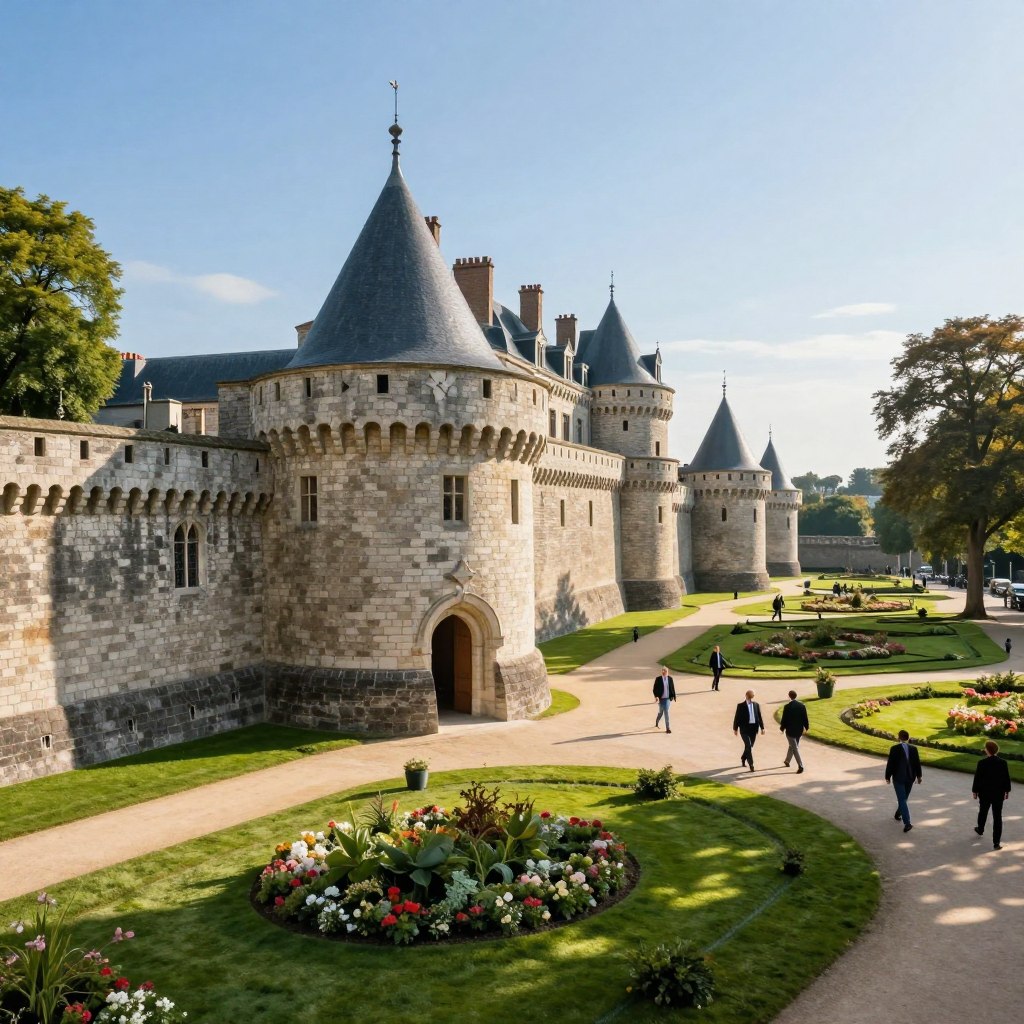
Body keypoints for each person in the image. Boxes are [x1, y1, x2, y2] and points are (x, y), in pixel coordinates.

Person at [972, 739, 1011, 850]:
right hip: (998, 794)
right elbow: (1006, 778)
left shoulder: (982, 763)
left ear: (987, 750)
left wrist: (975, 791)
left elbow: (977, 779)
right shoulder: (1003, 763)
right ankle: (996, 843)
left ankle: (980, 829)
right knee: (997, 817)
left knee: (983, 811)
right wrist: (1007, 791)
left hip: (985, 793)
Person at [885, 729, 923, 832]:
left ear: (899, 737)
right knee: (904, 798)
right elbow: (917, 763)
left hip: (898, 778)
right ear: (908, 737)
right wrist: (919, 776)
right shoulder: (914, 749)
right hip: (910, 777)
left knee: (902, 799)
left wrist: (887, 776)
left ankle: (907, 823)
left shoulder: (894, 749)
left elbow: (890, 764)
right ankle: (900, 814)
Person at [732, 689, 765, 771]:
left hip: (753, 729)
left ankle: (743, 758)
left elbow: (759, 717)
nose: (751, 697)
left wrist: (762, 728)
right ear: (746, 695)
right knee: (749, 746)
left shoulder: (756, 705)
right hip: (744, 729)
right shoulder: (740, 706)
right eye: (750, 695)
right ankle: (751, 765)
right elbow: (737, 717)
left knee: (749, 746)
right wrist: (735, 729)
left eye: (752, 696)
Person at [779, 690, 809, 772]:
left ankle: (800, 765)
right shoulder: (802, 706)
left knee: (794, 747)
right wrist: (806, 727)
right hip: (799, 730)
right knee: (793, 745)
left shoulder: (787, 707)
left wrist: (782, 728)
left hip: (790, 731)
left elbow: (784, 719)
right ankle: (787, 761)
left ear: (789, 696)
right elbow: (805, 718)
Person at [652, 666, 676, 734]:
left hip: (667, 699)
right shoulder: (658, 679)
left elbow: (672, 688)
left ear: (667, 671)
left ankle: (668, 728)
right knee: (661, 713)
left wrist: (674, 696)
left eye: (665, 670)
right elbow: (654, 689)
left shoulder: (670, 679)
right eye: (662, 670)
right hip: (661, 699)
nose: (663, 672)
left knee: (666, 712)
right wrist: (656, 696)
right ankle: (657, 722)